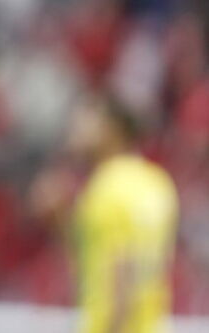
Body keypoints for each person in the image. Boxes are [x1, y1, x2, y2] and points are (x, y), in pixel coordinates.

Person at [67, 96, 179, 333]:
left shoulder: (106, 188)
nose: (76, 129)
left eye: (87, 120)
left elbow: (123, 274)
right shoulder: (158, 183)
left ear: (111, 129)